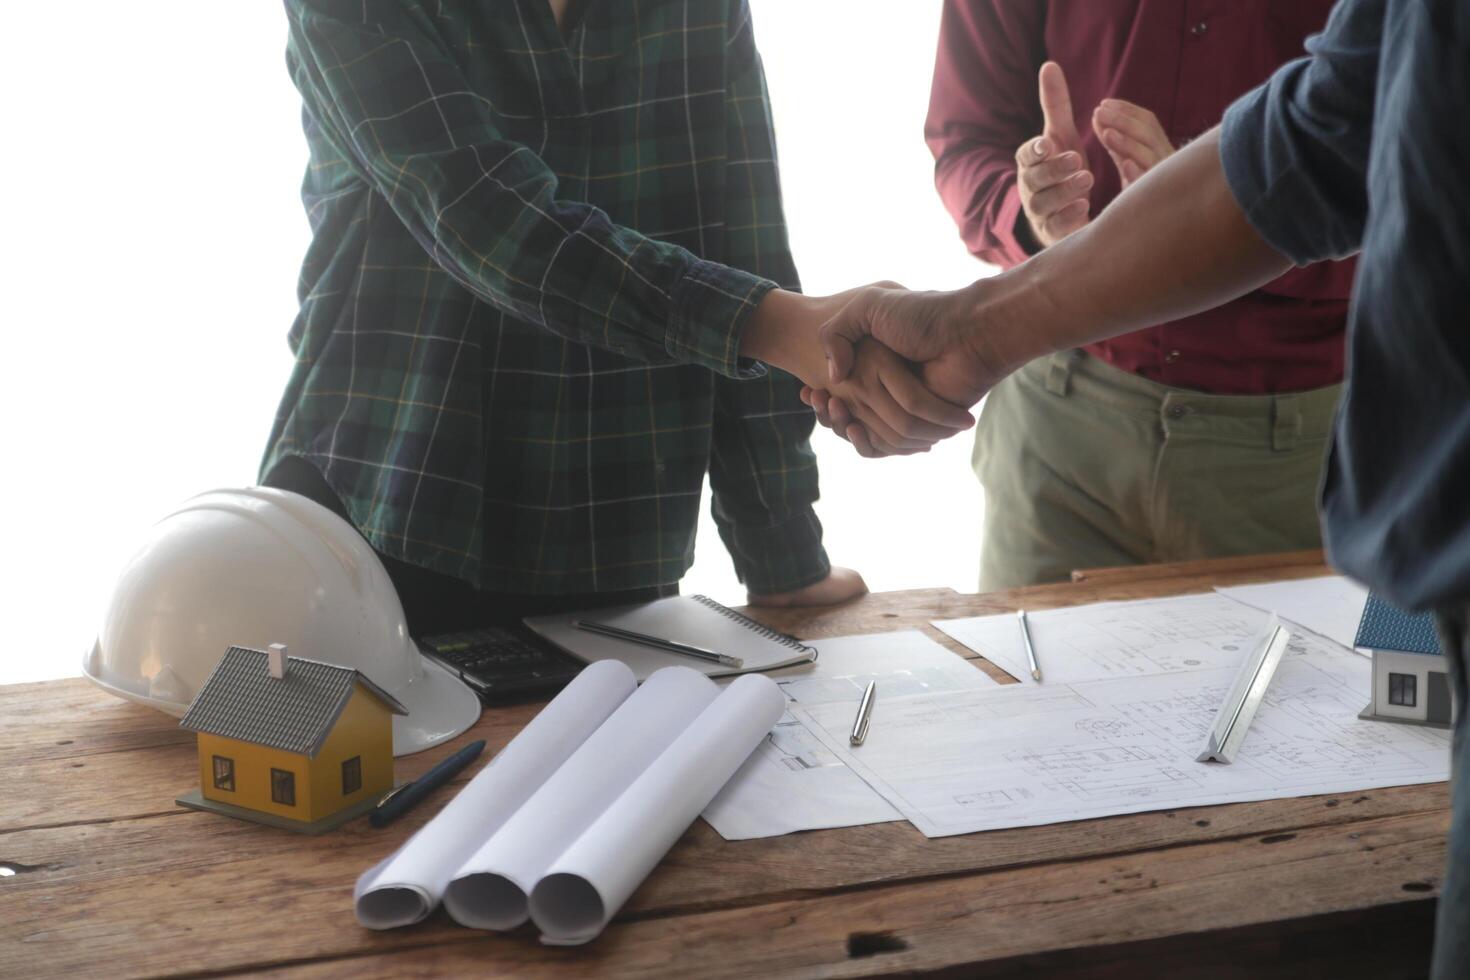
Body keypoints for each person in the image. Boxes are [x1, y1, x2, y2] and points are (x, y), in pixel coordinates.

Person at [810, 0, 1469, 972]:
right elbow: (969, 140)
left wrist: (1191, 225)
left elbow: (1361, 165)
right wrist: (1030, 230)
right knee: (1015, 813)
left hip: (1291, 446)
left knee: (1297, 864)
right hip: (1062, 432)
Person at [262, 0, 971, 634]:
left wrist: (781, 553)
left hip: (612, 525)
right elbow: (485, 221)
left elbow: (743, 245)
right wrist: (787, 328)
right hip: (378, 508)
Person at [922, 0, 1353, 589]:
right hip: (1055, 436)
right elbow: (966, 138)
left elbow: (1428, 199)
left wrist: (1215, 215)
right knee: (1022, 680)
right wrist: (1030, 216)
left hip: (1294, 467)